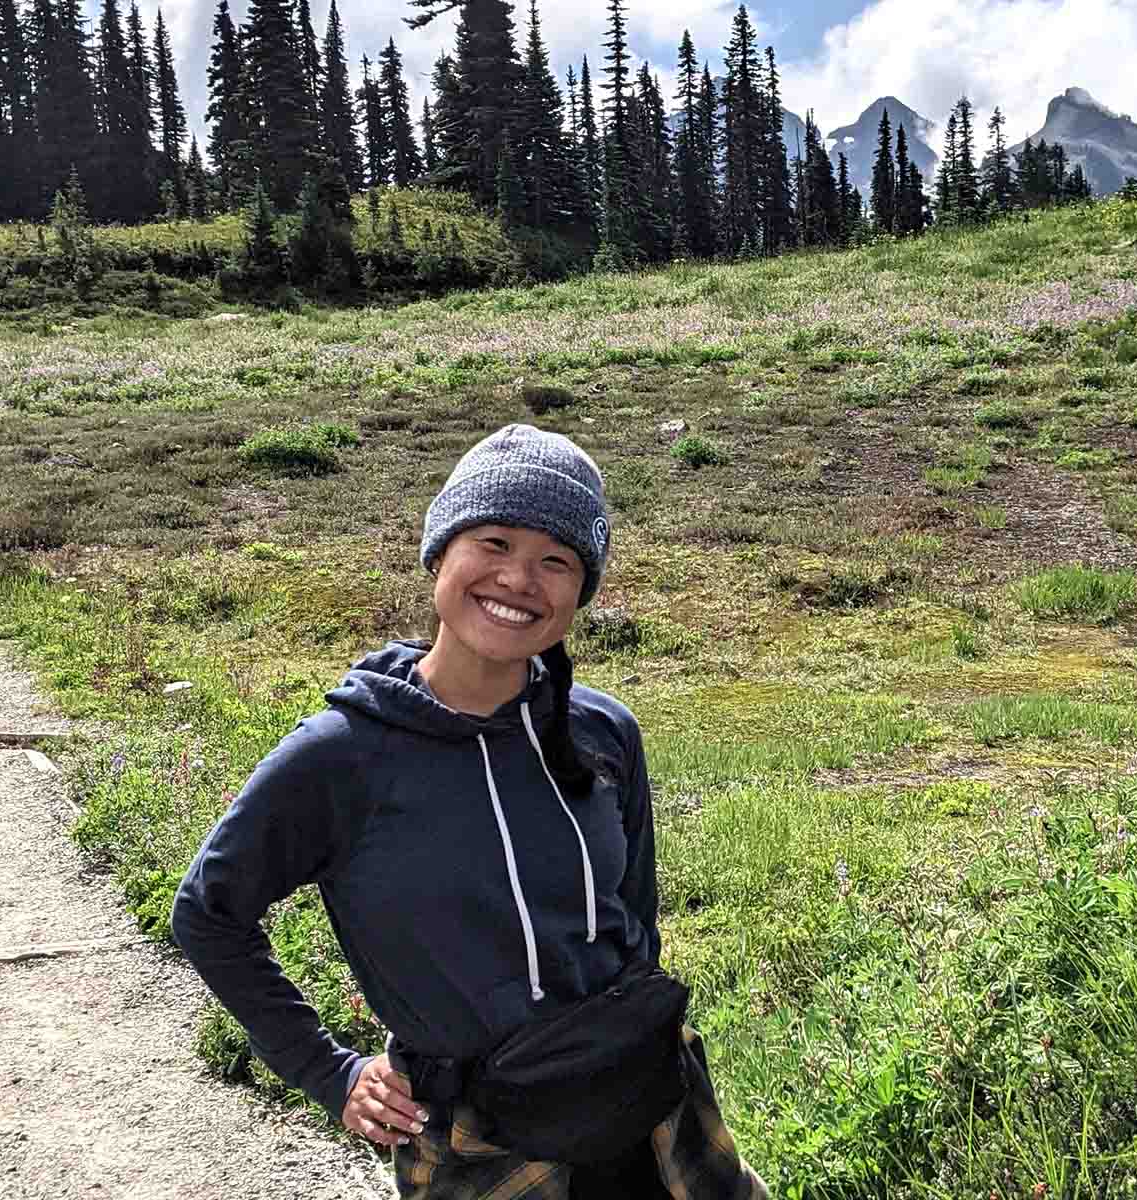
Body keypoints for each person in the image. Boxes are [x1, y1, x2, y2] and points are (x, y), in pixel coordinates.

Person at [172, 425, 766, 1199]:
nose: (521, 579)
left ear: (580, 591)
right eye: (494, 542)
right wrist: (332, 1071)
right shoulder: (345, 754)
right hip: (479, 1140)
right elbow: (208, 913)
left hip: (652, 1103)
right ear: (440, 555)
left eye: (557, 560)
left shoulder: (602, 732)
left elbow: (636, 917)